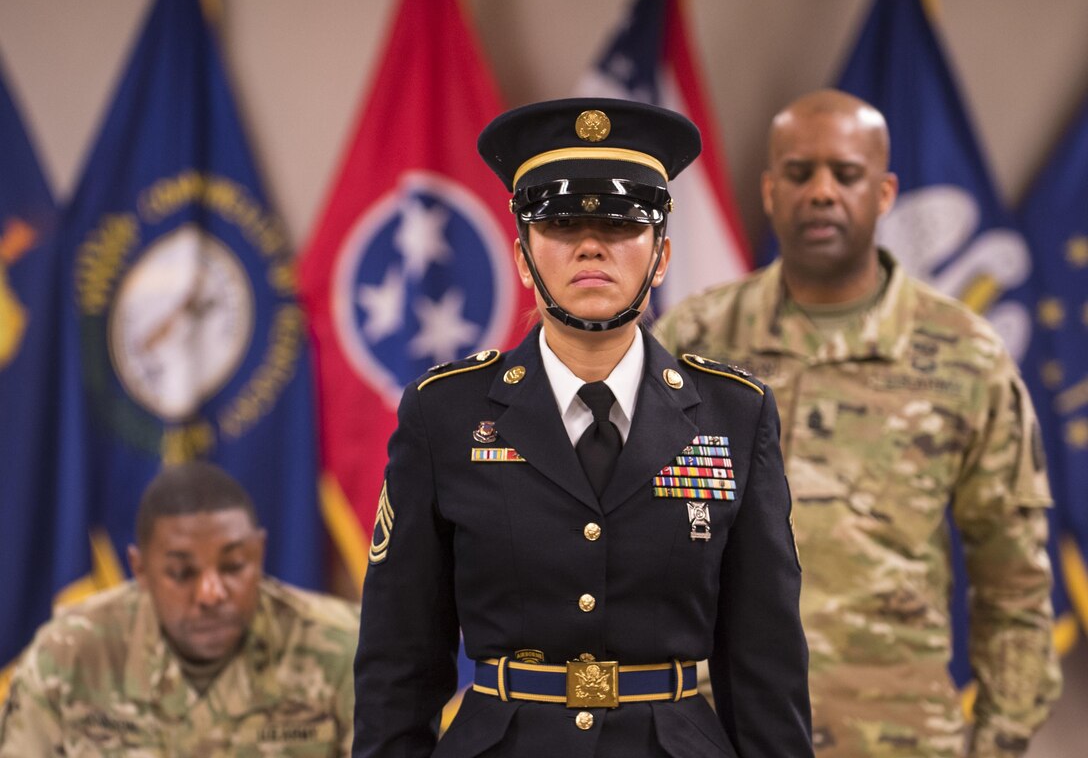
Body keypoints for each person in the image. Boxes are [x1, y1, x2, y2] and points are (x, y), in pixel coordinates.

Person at [353, 98, 812, 758]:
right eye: (562, 223)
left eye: (623, 224)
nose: (592, 244)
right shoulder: (446, 415)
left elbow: (765, 666)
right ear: (521, 256)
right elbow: (398, 663)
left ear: (660, 258)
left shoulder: (733, 415)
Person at [654, 89, 1062, 758]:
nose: (821, 192)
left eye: (846, 174)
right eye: (799, 172)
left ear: (884, 192)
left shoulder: (966, 355)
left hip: (896, 736)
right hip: (714, 731)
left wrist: (1000, 741)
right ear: (769, 189)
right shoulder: (694, 339)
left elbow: (1013, 579)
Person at [0, 461, 359, 756]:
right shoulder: (69, 656)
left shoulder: (343, 649)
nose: (211, 593)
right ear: (141, 569)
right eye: (182, 572)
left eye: (233, 566)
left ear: (259, 552)